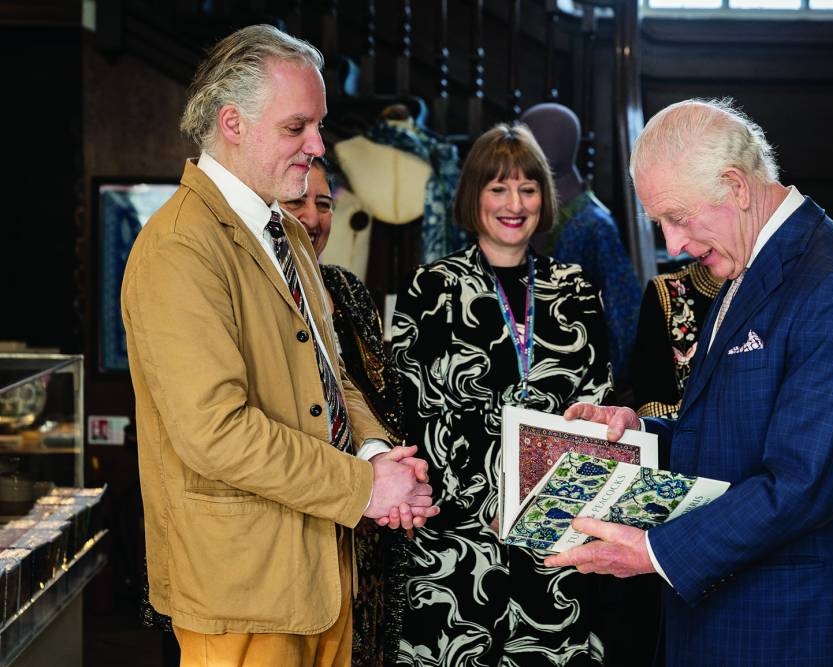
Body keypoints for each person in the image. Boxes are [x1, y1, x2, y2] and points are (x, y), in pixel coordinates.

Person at [545, 98, 833, 666]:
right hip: (731, 615)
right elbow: (733, 432)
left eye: (677, 217)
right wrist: (639, 431)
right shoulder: (747, 263)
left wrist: (654, 551)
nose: (671, 246)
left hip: (795, 624)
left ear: (738, 187)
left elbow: (803, 483)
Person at [121, 24, 438, 667]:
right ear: (233, 123)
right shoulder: (181, 246)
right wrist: (365, 486)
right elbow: (215, 430)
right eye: (298, 128)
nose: (318, 146)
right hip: (240, 589)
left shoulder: (283, 231)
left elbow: (331, 373)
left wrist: (378, 454)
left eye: (317, 127)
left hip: (318, 571)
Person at [390, 123, 614, 665]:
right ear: (473, 196)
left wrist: (540, 511)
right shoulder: (430, 288)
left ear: (545, 196)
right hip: (455, 548)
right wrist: (487, 506)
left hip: (555, 546)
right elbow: (410, 417)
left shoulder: (577, 289)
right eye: (498, 188)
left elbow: (596, 409)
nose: (514, 204)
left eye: (528, 188)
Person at [283, 155, 409, 667]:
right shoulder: (254, 292)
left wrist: (386, 459)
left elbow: (378, 394)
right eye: (296, 202)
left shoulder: (349, 291)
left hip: (366, 528)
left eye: (324, 204)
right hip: (292, 517)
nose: (313, 219)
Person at [520, 103, 641, 385]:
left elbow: (623, 312)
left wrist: (617, 383)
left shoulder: (595, 224)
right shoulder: (524, 211)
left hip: (585, 376)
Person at [631, 260, 722, 419]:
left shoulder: (773, 280)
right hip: (693, 440)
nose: (675, 248)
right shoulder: (666, 290)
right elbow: (653, 405)